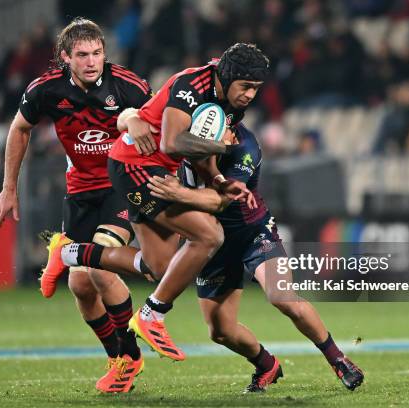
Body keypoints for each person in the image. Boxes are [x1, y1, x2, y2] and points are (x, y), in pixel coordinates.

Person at [42, 43, 268, 364]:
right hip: (136, 165)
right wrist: (220, 145)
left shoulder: (231, 102)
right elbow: (172, 141)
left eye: (256, 89)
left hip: (153, 169)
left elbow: (201, 155)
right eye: (245, 86)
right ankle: (151, 315)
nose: (249, 95)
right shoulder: (191, 85)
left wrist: (217, 178)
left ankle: (67, 252)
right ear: (228, 76)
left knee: (159, 267)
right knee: (209, 236)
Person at [0, 17, 154, 393]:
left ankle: (130, 356)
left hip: (122, 184)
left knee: (99, 266)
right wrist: (8, 188)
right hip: (80, 189)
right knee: (80, 284)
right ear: (66, 58)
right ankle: (116, 357)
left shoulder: (128, 87)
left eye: (97, 53)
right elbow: (19, 128)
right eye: (82, 54)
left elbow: (160, 128)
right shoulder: (45, 90)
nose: (92, 60)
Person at [146, 124, 365, 393]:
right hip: (211, 246)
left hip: (252, 232)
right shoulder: (176, 137)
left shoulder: (245, 146)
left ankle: (338, 359)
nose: (227, 130)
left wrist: (177, 193)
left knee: (282, 296)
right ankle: (266, 365)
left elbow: (219, 201)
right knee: (220, 332)